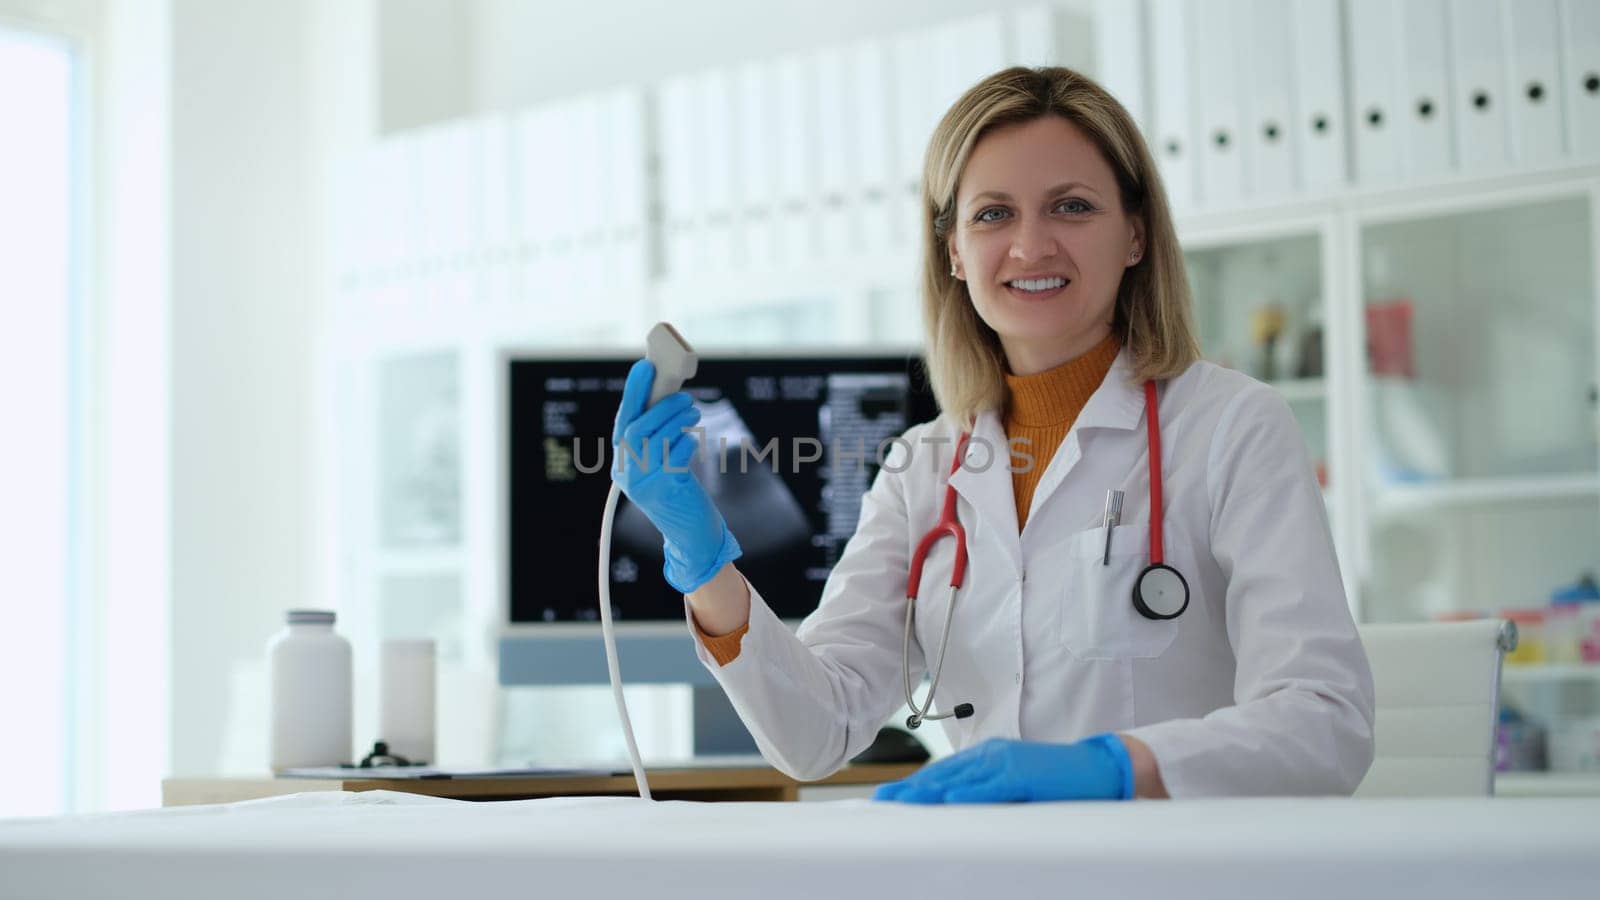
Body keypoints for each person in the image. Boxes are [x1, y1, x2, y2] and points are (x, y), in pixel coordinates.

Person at [611, 66, 1374, 802]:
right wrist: (703, 560)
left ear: (1135, 235)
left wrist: (1115, 766)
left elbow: (1325, 722)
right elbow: (819, 730)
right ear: (953, 252)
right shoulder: (923, 470)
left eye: (1072, 206)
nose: (1032, 245)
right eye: (993, 213)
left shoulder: (1233, 428)